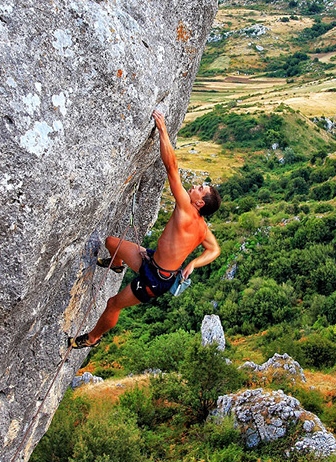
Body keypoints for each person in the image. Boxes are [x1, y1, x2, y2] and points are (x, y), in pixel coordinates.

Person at [68, 110, 221, 348]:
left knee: (113, 304)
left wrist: (163, 130)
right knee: (110, 242)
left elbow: (172, 167)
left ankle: (92, 338)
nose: (196, 186)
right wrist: (193, 264)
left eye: (200, 188)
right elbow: (214, 250)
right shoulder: (203, 229)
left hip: (156, 280)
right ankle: (117, 266)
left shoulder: (186, 209)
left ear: (199, 203)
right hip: (151, 260)